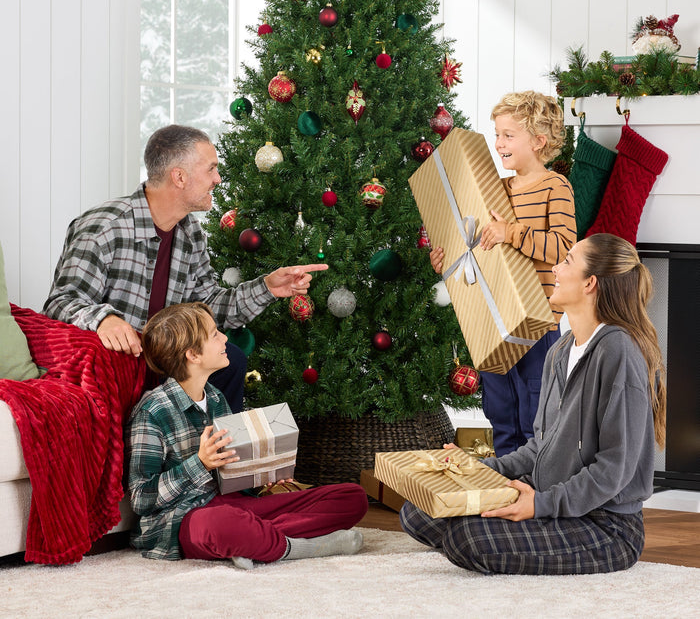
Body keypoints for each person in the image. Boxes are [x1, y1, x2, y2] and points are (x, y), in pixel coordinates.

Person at [402, 233, 666, 575]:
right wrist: (478, 471)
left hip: (606, 526)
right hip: (549, 495)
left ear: (590, 283)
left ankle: (502, 533)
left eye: (567, 261)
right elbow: (540, 445)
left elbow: (614, 470)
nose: (555, 268)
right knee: (418, 511)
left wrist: (539, 505)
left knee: (465, 538)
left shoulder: (619, 352)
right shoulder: (561, 349)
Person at [43, 124, 326, 412]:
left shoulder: (190, 233)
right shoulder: (103, 228)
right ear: (179, 176)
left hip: (164, 360)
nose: (217, 179)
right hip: (118, 364)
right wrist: (105, 319)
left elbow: (209, 306)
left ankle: (217, 454)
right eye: (211, 169)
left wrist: (267, 287)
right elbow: (60, 302)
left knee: (232, 361)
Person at [125, 301, 368, 566]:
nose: (225, 338)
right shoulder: (151, 412)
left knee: (352, 497)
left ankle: (251, 539)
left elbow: (231, 471)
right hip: (184, 518)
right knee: (221, 524)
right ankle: (298, 546)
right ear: (193, 355)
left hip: (233, 505)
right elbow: (141, 499)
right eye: (215, 334)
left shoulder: (216, 398)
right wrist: (200, 463)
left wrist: (262, 473)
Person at [430, 91, 576, 455]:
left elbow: (562, 247)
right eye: (496, 134)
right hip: (493, 317)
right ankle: (508, 486)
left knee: (536, 406)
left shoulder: (554, 187)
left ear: (539, 141)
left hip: (538, 320)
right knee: (500, 408)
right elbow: (480, 251)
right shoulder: (495, 190)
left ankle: (536, 492)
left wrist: (511, 232)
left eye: (508, 135)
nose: (498, 143)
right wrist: (447, 263)